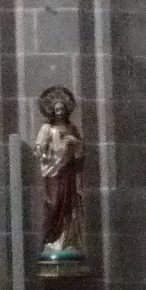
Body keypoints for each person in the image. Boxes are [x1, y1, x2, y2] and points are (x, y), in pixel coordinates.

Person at [34, 84, 87, 266]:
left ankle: (65, 240)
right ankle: (51, 240)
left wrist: (75, 143)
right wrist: (44, 149)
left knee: (68, 205)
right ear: (51, 111)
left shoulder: (71, 128)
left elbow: (81, 151)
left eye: (62, 109)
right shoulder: (47, 128)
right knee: (53, 203)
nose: (59, 112)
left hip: (67, 170)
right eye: (56, 109)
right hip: (52, 171)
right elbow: (39, 147)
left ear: (66, 110)